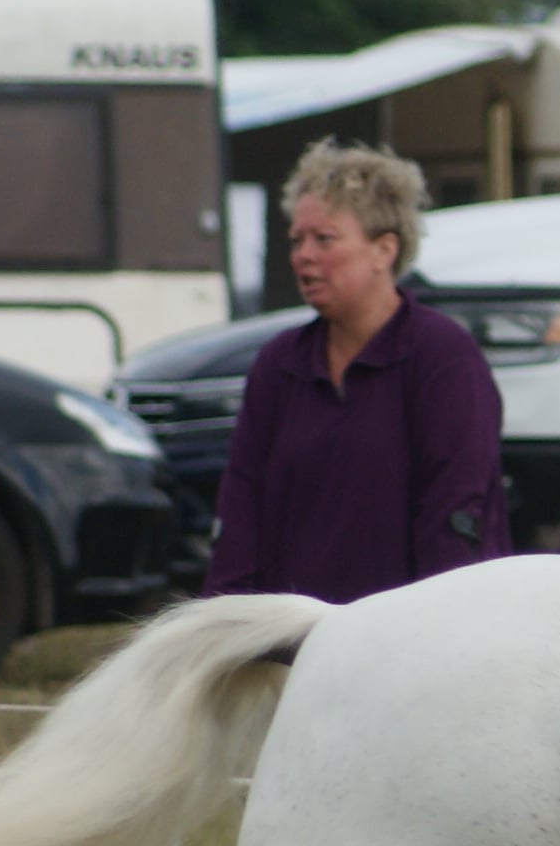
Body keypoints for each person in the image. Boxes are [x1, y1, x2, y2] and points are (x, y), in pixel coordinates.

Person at [202, 142, 508, 602]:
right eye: (297, 240)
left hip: (410, 627)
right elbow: (241, 504)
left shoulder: (443, 358)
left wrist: (440, 619)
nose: (304, 255)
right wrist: (223, 614)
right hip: (295, 632)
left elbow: (455, 509)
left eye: (324, 239)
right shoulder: (279, 365)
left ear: (384, 250)